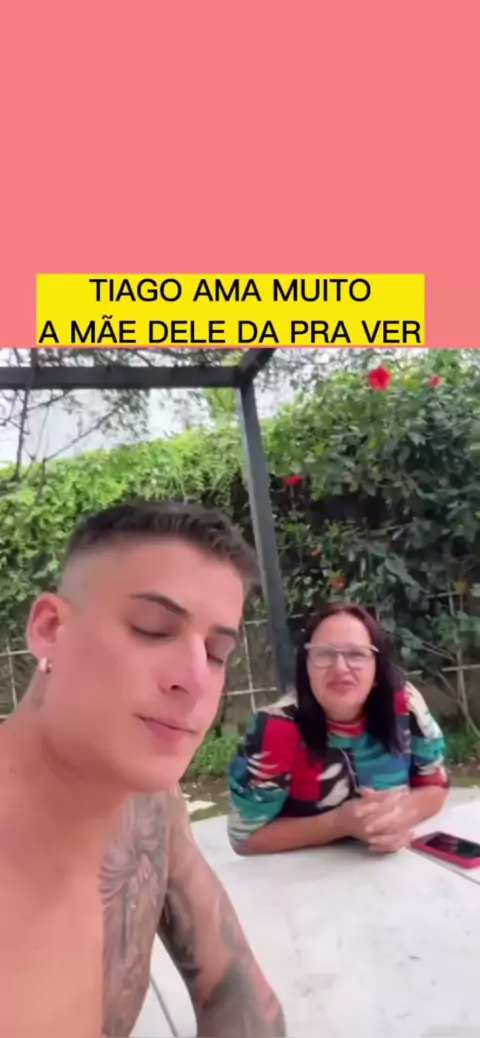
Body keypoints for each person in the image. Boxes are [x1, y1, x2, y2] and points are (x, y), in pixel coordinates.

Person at [0, 500, 285, 1038]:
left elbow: (235, 990)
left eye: (217, 653)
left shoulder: (149, 803)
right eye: (153, 629)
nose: (195, 680)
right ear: (50, 628)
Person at [228, 602, 448, 856]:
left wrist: (397, 816)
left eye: (356, 654)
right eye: (324, 654)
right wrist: (339, 823)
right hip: (302, 872)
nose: (341, 668)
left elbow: (436, 786)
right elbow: (245, 839)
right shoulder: (276, 727)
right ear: (306, 667)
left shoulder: (405, 705)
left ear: (377, 669)